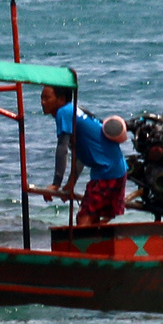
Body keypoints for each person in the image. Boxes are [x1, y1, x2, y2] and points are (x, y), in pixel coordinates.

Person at [39, 85, 129, 226]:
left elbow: (62, 148)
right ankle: (98, 247)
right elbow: (81, 153)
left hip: (107, 172)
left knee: (84, 219)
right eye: (41, 98)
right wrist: (71, 182)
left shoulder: (63, 112)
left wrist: (56, 184)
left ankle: (82, 248)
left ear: (61, 99)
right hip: (117, 169)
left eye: (47, 98)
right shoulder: (74, 110)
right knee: (94, 220)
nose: (43, 102)